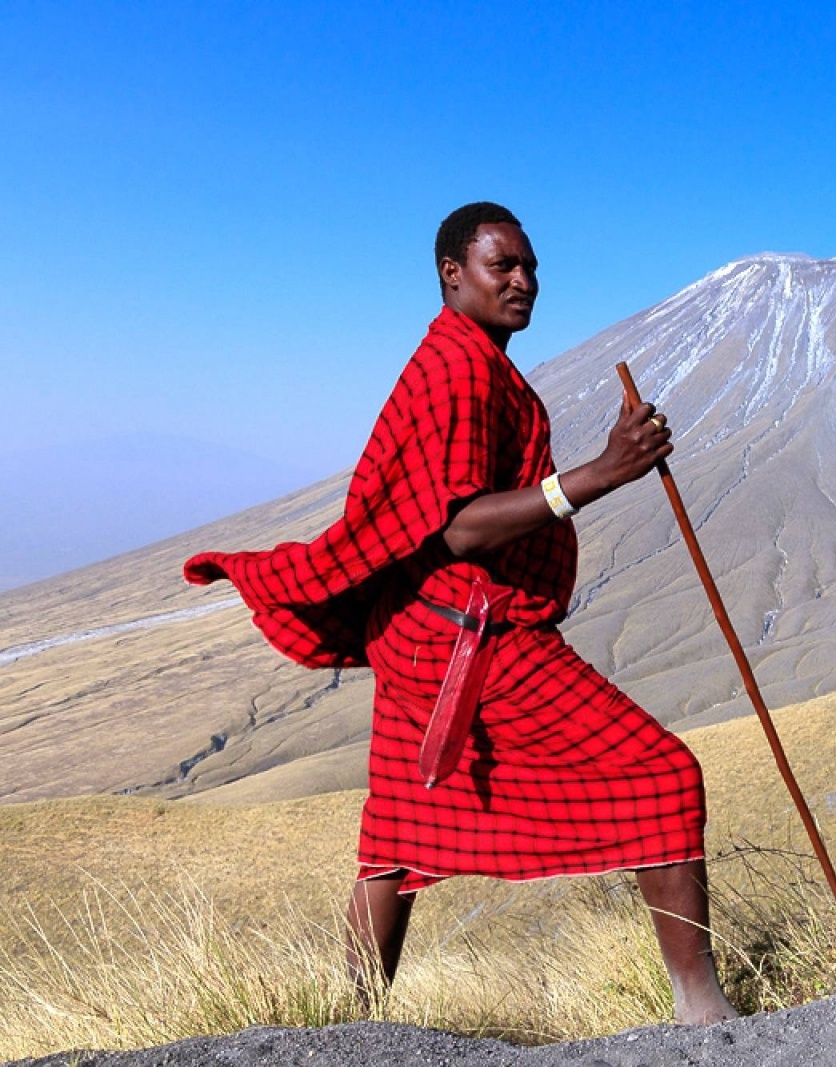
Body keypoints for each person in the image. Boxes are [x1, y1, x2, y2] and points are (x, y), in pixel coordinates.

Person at [184, 201, 737, 1026]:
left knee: (397, 832)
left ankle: (349, 1024)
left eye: (531, 267)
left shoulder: (471, 361)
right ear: (453, 273)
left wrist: (606, 461)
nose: (523, 280)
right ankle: (702, 1009)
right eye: (501, 265)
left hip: (419, 630)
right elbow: (456, 523)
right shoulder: (458, 369)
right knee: (662, 775)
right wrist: (599, 473)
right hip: (462, 634)